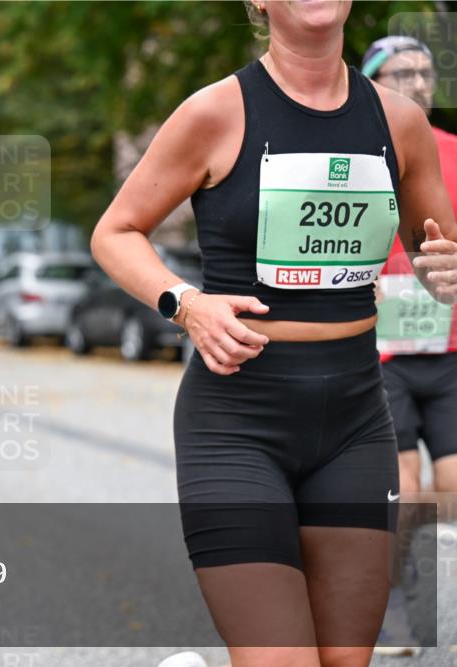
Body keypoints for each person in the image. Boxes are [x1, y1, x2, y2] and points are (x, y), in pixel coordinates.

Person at [91, 2, 457, 666]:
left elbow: (439, 261)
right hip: (236, 425)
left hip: (355, 423)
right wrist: (186, 304)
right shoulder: (216, 112)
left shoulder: (399, 123)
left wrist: (447, 271)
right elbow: (115, 232)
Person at [361, 35, 457, 658]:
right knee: (406, 490)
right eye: (403, 73)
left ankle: (391, 555)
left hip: (447, 348)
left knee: (450, 491)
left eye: (426, 72)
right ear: (373, 82)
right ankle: (388, 600)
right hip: (381, 353)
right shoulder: (354, 150)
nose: (418, 83)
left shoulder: (452, 150)